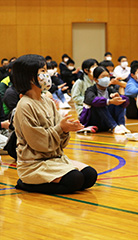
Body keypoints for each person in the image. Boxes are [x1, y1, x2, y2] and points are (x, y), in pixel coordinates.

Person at [12, 54, 97, 194]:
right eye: (42, 71)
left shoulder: (48, 101)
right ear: (29, 77)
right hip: (34, 164)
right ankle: (25, 183)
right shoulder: (25, 105)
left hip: (55, 159)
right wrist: (60, 128)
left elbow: (60, 140)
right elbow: (38, 143)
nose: (47, 75)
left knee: (89, 175)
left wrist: (66, 128)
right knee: (74, 179)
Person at [79, 66, 130, 134]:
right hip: (93, 121)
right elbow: (92, 100)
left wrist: (120, 98)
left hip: (106, 122)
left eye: (108, 76)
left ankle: (121, 125)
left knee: (118, 101)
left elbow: (126, 102)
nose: (106, 79)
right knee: (100, 103)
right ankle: (114, 127)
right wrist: (109, 101)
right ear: (96, 79)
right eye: (103, 77)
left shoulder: (110, 89)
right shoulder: (90, 90)